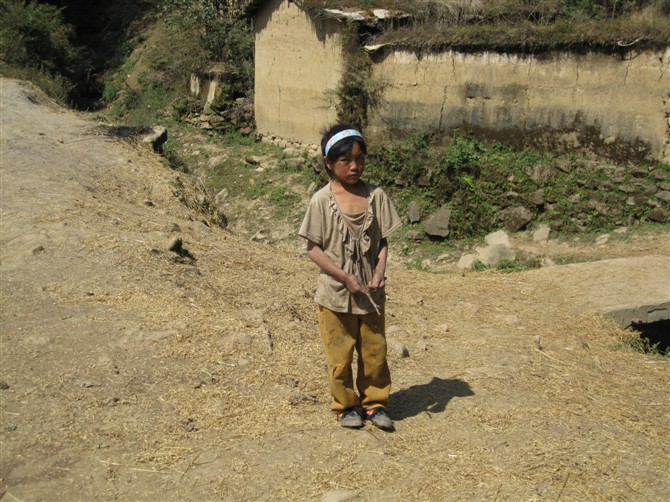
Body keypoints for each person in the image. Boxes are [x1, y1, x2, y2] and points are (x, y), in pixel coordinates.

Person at [299, 124, 402, 431]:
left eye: (360, 158)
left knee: (375, 352)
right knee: (339, 353)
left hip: (370, 294)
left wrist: (379, 272)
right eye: (345, 160)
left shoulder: (376, 196)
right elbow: (313, 249)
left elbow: (383, 242)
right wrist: (344, 277)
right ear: (329, 163)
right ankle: (346, 406)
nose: (355, 166)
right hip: (335, 295)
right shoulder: (321, 201)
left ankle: (375, 403)